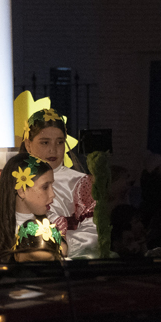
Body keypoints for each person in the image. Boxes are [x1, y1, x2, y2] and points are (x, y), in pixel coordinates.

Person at [17, 109, 99, 257]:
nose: (53, 150)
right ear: (28, 145)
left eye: (60, 142)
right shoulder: (16, 178)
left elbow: (94, 231)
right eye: (45, 142)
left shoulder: (79, 182)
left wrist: (56, 244)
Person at [0, 154, 58, 264]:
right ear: (22, 191)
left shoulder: (56, 224)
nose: (53, 194)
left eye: (52, 186)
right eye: (45, 187)